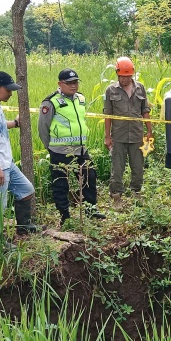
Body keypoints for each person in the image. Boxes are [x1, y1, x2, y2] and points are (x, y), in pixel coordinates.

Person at [0, 71, 40, 238]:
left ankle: (23, 227)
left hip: (7, 164)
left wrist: (15, 123)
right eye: (8, 90)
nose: (11, 94)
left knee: (26, 190)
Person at [38, 68, 106, 226]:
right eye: (69, 83)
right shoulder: (51, 102)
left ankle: (91, 210)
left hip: (80, 149)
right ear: (60, 84)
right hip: (60, 150)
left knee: (90, 176)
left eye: (75, 82)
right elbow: (43, 128)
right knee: (61, 183)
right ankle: (65, 215)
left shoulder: (80, 99)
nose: (73, 86)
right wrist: (51, 148)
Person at [103, 57, 153, 209]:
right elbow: (108, 114)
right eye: (122, 76)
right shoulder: (111, 90)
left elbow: (145, 111)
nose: (125, 79)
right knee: (117, 168)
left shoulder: (140, 88)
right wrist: (107, 136)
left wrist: (149, 131)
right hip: (118, 136)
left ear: (132, 75)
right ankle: (116, 196)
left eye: (128, 76)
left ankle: (136, 193)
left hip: (137, 135)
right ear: (117, 74)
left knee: (138, 167)